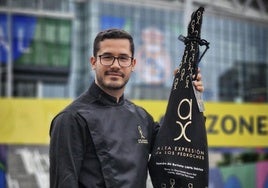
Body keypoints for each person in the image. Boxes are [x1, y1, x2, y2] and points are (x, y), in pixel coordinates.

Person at [49, 28, 204, 188]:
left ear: (133, 64)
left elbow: (178, 142)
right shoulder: (71, 119)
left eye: (123, 58)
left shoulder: (142, 118)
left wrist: (189, 95)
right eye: (107, 57)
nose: (115, 65)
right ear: (94, 62)